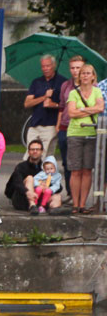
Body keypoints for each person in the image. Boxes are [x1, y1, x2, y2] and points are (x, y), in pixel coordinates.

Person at [65, 63, 102, 215]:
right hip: (75, 133)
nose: (85, 76)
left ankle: (82, 204)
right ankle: (75, 203)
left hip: (91, 133)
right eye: (83, 73)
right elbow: (71, 113)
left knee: (87, 170)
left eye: (88, 73)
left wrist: (81, 109)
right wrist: (88, 110)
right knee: (75, 170)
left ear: (93, 76)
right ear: (79, 77)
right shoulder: (73, 93)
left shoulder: (97, 91)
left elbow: (100, 108)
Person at [25, 55, 66, 159]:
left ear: (54, 65)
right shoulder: (36, 82)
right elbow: (27, 103)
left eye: (48, 66)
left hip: (50, 125)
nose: (45, 69)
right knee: (29, 156)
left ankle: (42, 175)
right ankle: (29, 174)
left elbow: (65, 106)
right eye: (43, 66)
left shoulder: (62, 82)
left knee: (45, 156)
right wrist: (44, 97)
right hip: (35, 124)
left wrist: (54, 104)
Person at [57, 54, 84, 196]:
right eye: (72, 68)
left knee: (80, 164)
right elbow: (61, 106)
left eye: (78, 67)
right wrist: (58, 125)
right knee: (67, 163)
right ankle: (70, 192)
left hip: (81, 127)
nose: (75, 71)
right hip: (64, 126)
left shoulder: (90, 86)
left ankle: (80, 195)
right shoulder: (65, 86)